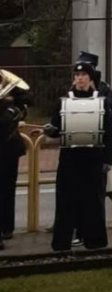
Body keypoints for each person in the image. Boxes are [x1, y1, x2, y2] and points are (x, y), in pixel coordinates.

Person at [43, 61, 112, 251]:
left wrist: (107, 160)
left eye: (84, 75)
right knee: (66, 200)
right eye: (77, 76)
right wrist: (51, 131)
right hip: (70, 159)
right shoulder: (63, 102)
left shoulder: (103, 102)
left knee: (93, 201)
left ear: (90, 78)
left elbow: (110, 133)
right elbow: (55, 129)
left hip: (94, 159)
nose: (80, 79)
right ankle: (62, 243)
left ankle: (94, 241)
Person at [76, 51, 112, 229]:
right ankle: (72, 219)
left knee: (110, 183)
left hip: (101, 141)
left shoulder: (104, 88)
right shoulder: (75, 87)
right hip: (81, 140)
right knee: (77, 185)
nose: (80, 76)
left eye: (84, 71)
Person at [0, 68, 29, 247]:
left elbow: (23, 105)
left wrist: (7, 101)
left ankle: (7, 228)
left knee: (7, 189)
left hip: (9, 149)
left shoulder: (13, 103)